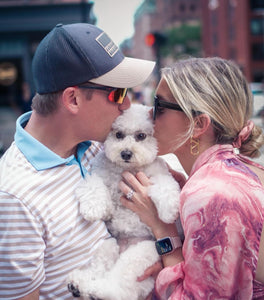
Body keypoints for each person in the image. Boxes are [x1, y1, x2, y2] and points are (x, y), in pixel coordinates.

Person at [0, 23, 155, 299]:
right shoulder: (15, 198)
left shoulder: (100, 145)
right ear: (72, 99)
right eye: (118, 93)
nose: (127, 104)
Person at [119, 57, 264, 299]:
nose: (148, 112)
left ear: (198, 124)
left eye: (159, 106)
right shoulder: (240, 169)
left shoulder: (210, 194)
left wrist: (161, 228)